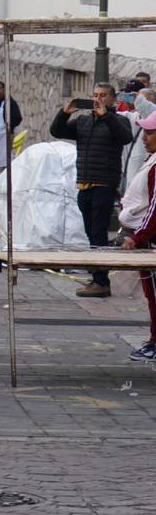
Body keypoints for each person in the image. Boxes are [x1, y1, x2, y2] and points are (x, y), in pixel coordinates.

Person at [50, 84, 133, 297]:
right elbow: (57, 131)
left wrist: (106, 116)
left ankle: (101, 282)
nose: (98, 99)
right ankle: (98, 276)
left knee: (98, 233)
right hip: (84, 184)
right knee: (91, 233)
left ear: (112, 99)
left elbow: (125, 137)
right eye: (95, 95)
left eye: (103, 96)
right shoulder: (84, 121)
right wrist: (64, 112)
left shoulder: (118, 120)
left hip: (104, 184)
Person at [119, 111, 156, 361]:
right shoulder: (152, 160)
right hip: (146, 238)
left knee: (154, 294)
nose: (144, 137)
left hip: (150, 242)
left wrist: (138, 237)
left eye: (151, 132)